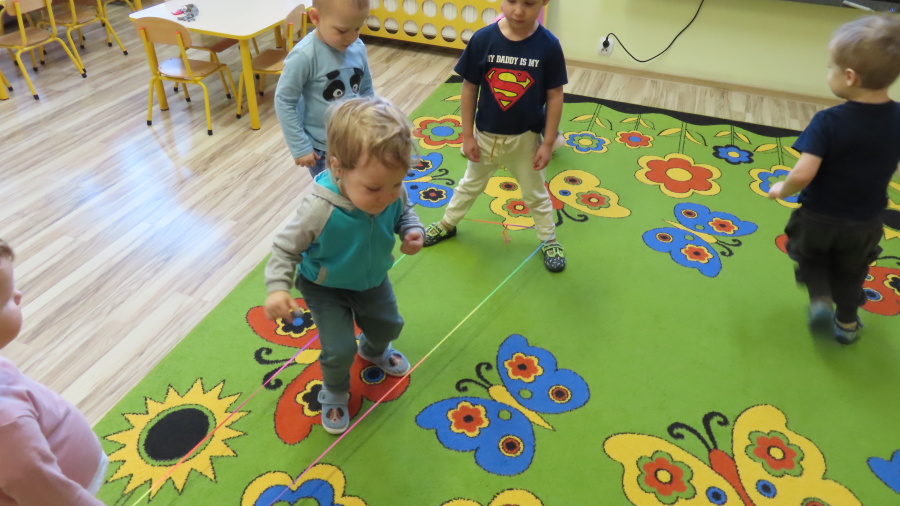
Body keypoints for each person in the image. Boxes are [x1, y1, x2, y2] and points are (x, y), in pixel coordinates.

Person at [264, 96, 425, 434]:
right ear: (338, 168)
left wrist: (412, 230)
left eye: (396, 183)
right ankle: (335, 390)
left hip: (372, 279)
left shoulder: (390, 190)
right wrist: (277, 288)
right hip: (326, 287)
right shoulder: (319, 208)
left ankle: (374, 350)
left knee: (389, 326)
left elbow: (404, 211)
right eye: (374, 188)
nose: (387, 196)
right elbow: (284, 248)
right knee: (338, 349)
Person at [768, 14, 900, 344]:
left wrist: (782, 188)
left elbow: (804, 173)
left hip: (818, 218)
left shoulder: (828, 121)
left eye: (832, 68)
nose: (829, 73)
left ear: (851, 77)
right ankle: (847, 324)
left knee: (810, 258)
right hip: (865, 222)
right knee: (852, 271)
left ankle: (820, 301)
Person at [423, 0, 568, 273]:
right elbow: (469, 88)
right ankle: (447, 223)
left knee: (536, 193)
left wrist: (548, 143)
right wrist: (467, 136)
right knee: (469, 185)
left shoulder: (549, 46)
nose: (518, 11)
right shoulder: (483, 39)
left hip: (526, 140)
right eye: (511, 0)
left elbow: (555, 95)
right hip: (485, 137)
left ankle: (548, 238)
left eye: (528, 3)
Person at [0, 239, 107, 505]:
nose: (18, 295)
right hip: (69, 488)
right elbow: (39, 485)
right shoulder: (6, 420)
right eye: (6, 299)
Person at [275, 0, 375, 177]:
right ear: (316, 18)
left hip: (356, 140)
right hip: (322, 150)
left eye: (357, 28)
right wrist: (300, 146)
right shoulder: (303, 56)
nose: (351, 37)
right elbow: (285, 101)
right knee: (331, 193)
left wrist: (372, 125)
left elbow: (366, 90)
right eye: (342, 31)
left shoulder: (357, 47)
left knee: (360, 187)